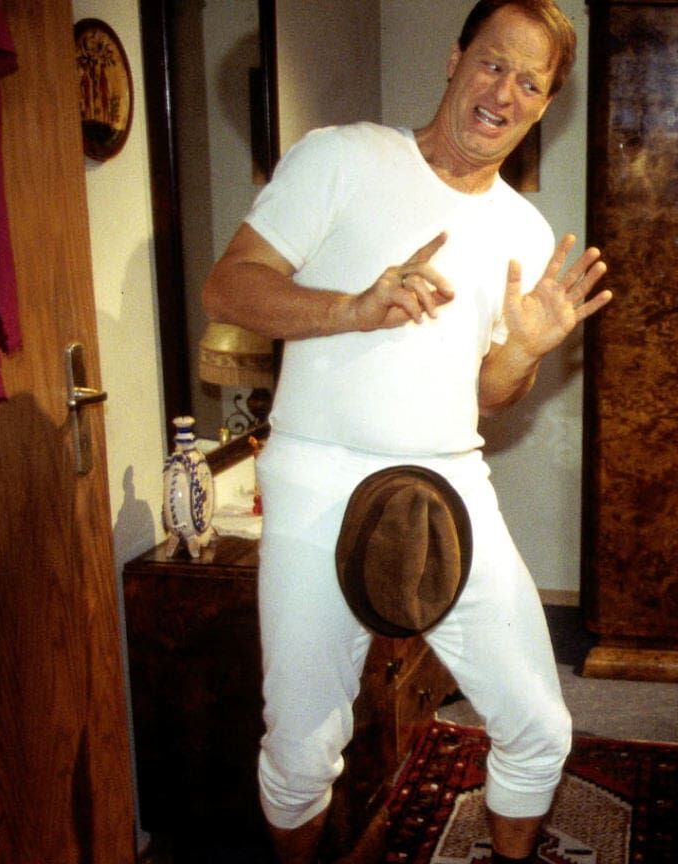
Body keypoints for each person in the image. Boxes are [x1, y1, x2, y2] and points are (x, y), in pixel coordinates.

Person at [201, 2, 610, 862]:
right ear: (456, 58)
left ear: (546, 104)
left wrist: (524, 351)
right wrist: (352, 308)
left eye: (529, 82)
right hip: (318, 476)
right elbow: (229, 286)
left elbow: (490, 396)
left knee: (539, 725)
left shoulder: (524, 231)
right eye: (493, 63)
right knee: (301, 749)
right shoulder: (342, 158)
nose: (504, 92)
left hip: (450, 479)